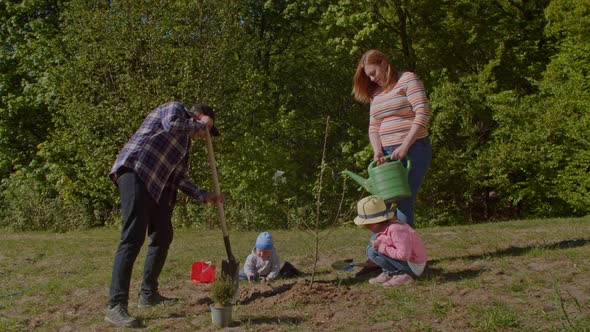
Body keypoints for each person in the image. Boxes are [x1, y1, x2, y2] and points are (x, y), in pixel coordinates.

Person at [104, 101, 224, 327]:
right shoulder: (175, 109)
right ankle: (115, 305)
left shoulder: (185, 145)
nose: (202, 135)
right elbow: (171, 125)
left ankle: (148, 294)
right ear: (200, 117)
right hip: (134, 171)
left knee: (163, 234)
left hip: (155, 185)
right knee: (132, 238)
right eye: (205, 129)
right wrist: (196, 124)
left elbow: (178, 177)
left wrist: (203, 195)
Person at [352, 49, 432, 279]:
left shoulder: (408, 80)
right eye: (368, 76)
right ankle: (381, 259)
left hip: (413, 149)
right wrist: (377, 150)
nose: (372, 79)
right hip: (386, 155)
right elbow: (373, 127)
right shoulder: (376, 95)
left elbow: (422, 114)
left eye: (373, 73)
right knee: (381, 206)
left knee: (404, 203)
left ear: (384, 64)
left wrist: (405, 145)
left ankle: (404, 264)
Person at [354, 196, 427, 287]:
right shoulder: (385, 228)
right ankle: (391, 272)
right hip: (406, 262)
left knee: (374, 250)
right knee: (371, 250)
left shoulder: (396, 229)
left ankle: (403, 275)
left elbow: (403, 255)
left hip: (414, 266)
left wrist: (381, 247)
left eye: (367, 226)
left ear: (375, 222)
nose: (367, 228)